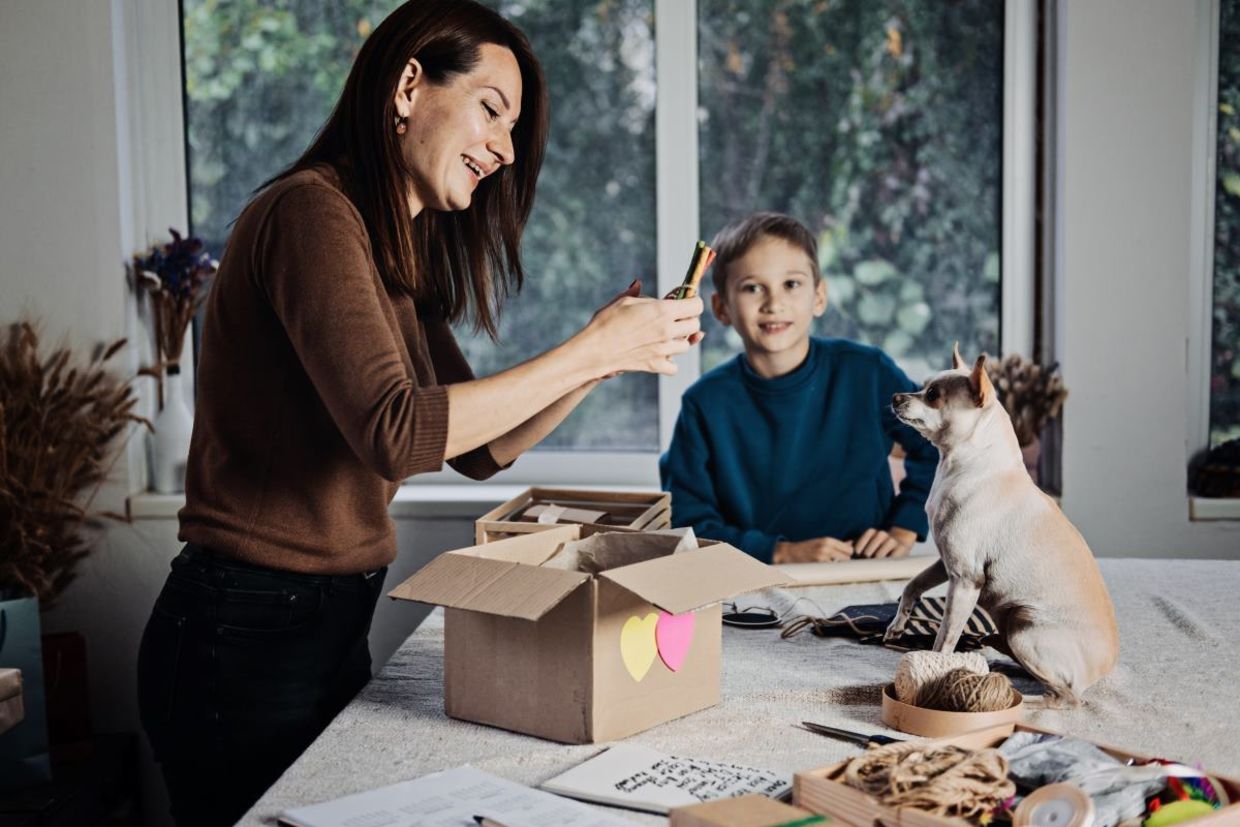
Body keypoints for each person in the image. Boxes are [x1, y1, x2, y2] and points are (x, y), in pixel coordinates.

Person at [136, 2, 703, 824]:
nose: (506, 151)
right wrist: (587, 350)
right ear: (408, 86)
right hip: (242, 634)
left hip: (320, 621)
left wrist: (604, 356)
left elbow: (482, 450)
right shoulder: (308, 214)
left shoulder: (390, 246)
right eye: (491, 110)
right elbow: (397, 433)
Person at [659, 212, 936, 564]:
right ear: (722, 307)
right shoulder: (704, 405)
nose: (774, 303)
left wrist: (906, 523)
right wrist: (779, 551)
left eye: (791, 284)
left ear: (819, 297)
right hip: (749, 580)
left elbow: (940, 445)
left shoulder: (868, 372)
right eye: (752, 287)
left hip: (863, 572)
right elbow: (687, 522)